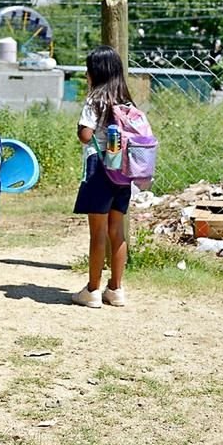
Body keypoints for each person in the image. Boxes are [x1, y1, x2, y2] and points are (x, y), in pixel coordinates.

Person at [72, 46, 135, 308]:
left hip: (99, 169)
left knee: (97, 232)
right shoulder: (127, 101)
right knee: (116, 230)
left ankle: (93, 290)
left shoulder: (94, 99)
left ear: (95, 72)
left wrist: (85, 130)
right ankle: (116, 289)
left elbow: (85, 135)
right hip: (123, 170)